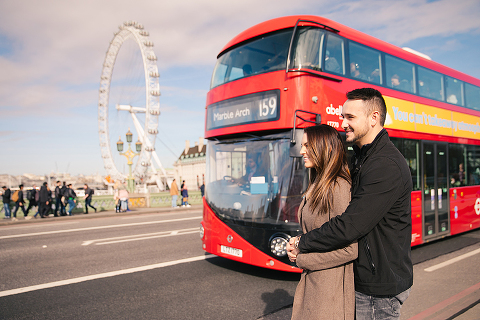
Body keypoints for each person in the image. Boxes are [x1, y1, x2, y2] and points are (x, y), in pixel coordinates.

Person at [287, 88, 413, 320]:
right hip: (365, 280)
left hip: (379, 287)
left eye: (350, 117)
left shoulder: (385, 164)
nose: (342, 123)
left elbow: (350, 225)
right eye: (343, 116)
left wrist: (303, 244)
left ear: (374, 118)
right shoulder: (362, 158)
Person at [290, 124, 357, 320]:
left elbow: (350, 250)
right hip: (314, 286)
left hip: (330, 294)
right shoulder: (318, 182)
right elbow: (318, 231)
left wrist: (301, 258)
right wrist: (297, 242)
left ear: (325, 148)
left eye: (308, 146)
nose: (302, 151)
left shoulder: (339, 187)